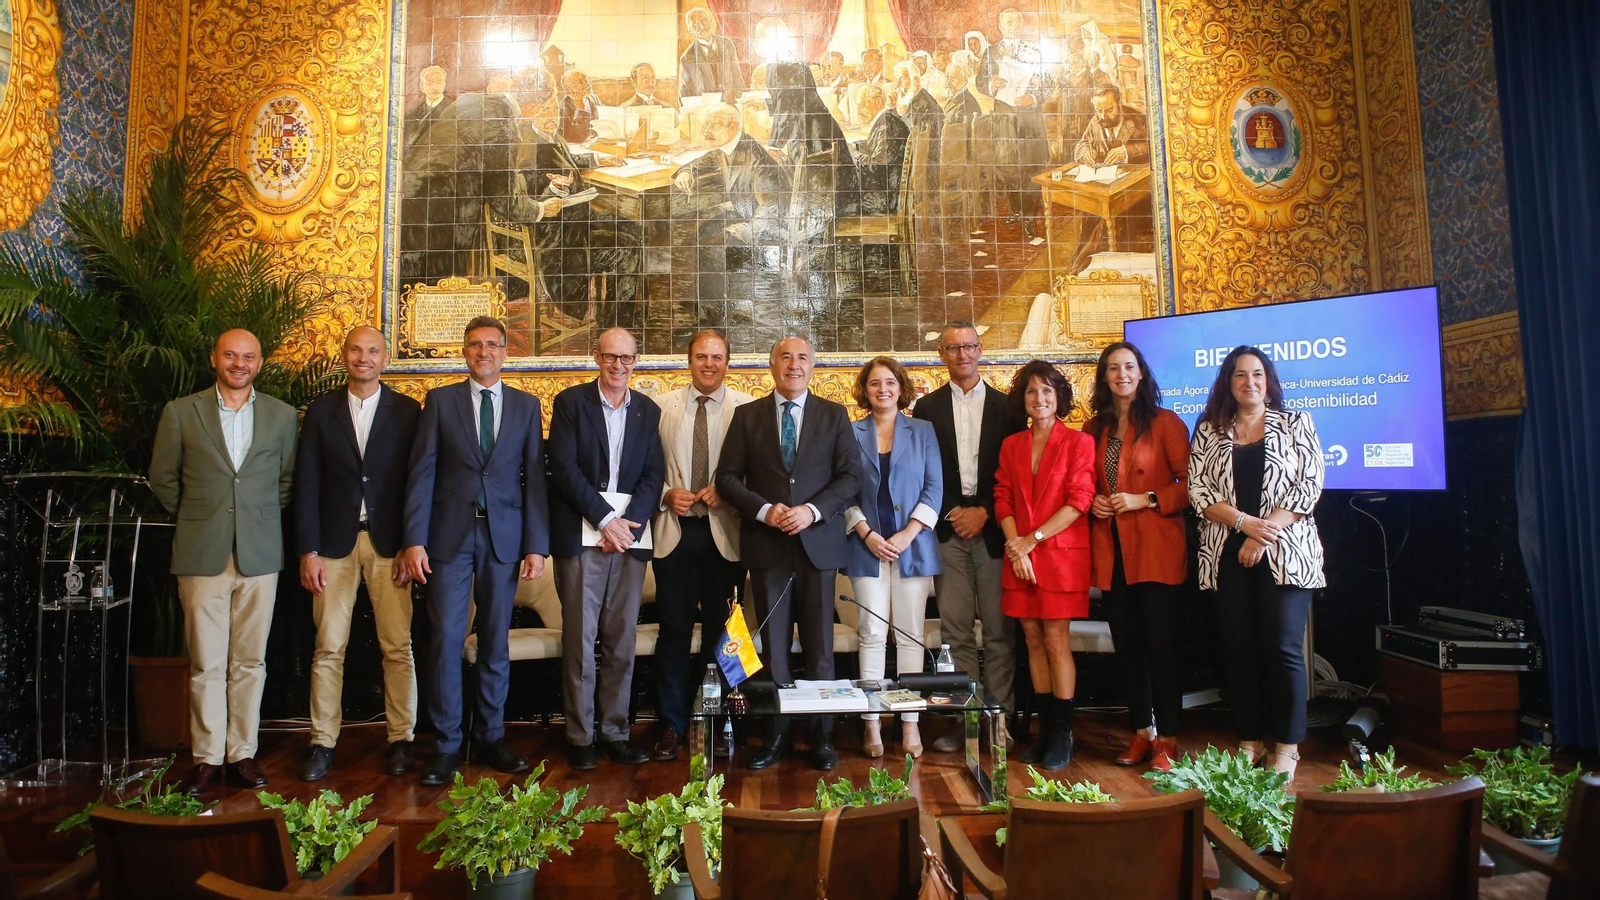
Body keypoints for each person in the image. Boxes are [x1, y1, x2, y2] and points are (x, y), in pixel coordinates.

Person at [401, 317, 550, 786]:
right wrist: (414, 539)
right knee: (446, 639)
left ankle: (490, 737)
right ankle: (447, 745)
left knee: (494, 641)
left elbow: (534, 479)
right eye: (474, 345)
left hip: (503, 538)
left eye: (491, 345)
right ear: (464, 352)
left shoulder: (526, 406)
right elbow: (421, 472)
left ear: (505, 352)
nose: (483, 352)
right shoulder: (440, 401)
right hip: (448, 537)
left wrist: (536, 545)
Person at [148, 329, 298, 796]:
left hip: (260, 551)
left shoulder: (281, 415)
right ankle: (207, 758)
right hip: (201, 550)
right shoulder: (181, 412)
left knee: (251, 661)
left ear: (260, 363)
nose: (239, 363)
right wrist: (201, 516)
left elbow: (286, 481)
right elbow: (162, 478)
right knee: (206, 663)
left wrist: (251, 517)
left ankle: (242, 753)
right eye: (230, 355)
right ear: (214, 359)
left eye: (248, 356)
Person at [717, 336, 860, 771]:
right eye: (785, 357)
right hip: (768, 548)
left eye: (802, 358)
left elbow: (851, 477)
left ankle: (821, 735)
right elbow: (727, 478)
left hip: (818, 546)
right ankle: (775, 734)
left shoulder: (834, 415)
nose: (793, 365)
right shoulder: (747, 416)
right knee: (773, 650)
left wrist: (812, 511)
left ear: (812, 367)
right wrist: (765, 510)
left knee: (820, 649)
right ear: (772, 365)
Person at [1188, 346, 1325, 781]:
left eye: (1258, 374)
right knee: (1239, 650)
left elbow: (1309, 485)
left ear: (1269, 381)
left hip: (1286, 552)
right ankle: (1249, 741)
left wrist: (1262, 533)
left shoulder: (1296, 422)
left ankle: (1287, 747)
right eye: (1240, 375)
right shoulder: (1209, 429)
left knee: (1284, 649)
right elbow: (1198, 491)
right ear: (1228, 383)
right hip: (1226, 552)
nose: (1250, 382)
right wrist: (1244, 524)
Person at [294, 326, 422, 782]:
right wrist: (308, 550)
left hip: (391, 547)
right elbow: (306, 483)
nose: (363, 357)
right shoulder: (320, 411)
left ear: (385, 359)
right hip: (332, 545)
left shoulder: (408, 411)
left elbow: (417, 483)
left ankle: (401, 738)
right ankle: (322, 742)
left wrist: (411, 542)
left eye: (372, 351)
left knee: (397, 646)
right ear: (344, 355)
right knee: (329, 646)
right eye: (355, 349)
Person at [547, 328, 665, 771]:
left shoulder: (648, 410)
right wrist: (604, 520)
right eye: (611, 357)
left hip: (629, 540)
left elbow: (653, 475)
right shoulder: (570, 403)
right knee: (580, 641)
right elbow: (564, 469)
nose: (619, 365)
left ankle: (616, 731)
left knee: (621, 641)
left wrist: (627, 526)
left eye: (627, 358)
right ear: (596, 357)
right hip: (584, 537)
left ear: (637, 361)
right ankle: (580, 736)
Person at [912, 322, 1024, 753]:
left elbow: (1015, 473)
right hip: (948, 530)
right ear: (942, 355)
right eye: (953, 348)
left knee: (998, 631)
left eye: (969, 346)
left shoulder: (1008, 407)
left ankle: (1000, 721)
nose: (962, 354)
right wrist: (952, 511)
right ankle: (967, 723)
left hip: (996, 531)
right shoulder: (926, 408)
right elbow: (922, 470)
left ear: (980, 351)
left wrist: (986, 512)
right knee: (955, 632)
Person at [649, 330, 755, 761]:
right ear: (688, 360)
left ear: (728, 362)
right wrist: (664, 494)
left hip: (725, 534)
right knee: (673, 632)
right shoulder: (661, 407)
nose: (709, 364)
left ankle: (720, 720)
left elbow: (759, 471)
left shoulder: (747, 408)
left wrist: (731, 492)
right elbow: (644, 468)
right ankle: (672, 725)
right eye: (701, 356)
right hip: (674, 532)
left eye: (717, 357)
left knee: (725, 634)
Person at [1084, 342, 1189, 773]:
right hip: (1112, 552)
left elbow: (1192, 485)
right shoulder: (1094, 427)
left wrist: (1145, 498)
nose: (1121, 374)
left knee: (1161, 649)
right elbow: (1085, 484)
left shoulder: (1166, 422)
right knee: (1127, 650)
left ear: (1141, 373)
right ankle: (1142, 732)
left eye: (1129, 366)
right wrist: (1093, 500)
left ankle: (1169, 739)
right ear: (1104, 377)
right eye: (1113, 368)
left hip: (1155, 548)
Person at [993, 359, 1094, 771]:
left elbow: (1079, 501)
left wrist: (1030, 541)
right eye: (1032, 391)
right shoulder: (1012, 445)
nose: (1040, 398)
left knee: (1055, 641)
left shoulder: (1078, 443)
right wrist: (1016, 548)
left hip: (1059, 557)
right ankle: (1044, 731)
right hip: (1019, 557)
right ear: (1023, 399)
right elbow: (1002, 498)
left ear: (1059, 397)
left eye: (1047, 391)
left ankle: (1063, 734)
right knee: (1032, 640)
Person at [844, 357, 942, 759]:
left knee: (909, 634)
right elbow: (843, 491)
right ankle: (871, 721)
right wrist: (866, 532)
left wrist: (907, 534)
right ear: (864, 390)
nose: (882, 389)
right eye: (874, 383)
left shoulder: (923, 431)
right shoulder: (850, 432)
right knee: (871, 632)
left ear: (901, 388)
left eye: (889, 382)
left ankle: (909, 721)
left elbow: (934, 488)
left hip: (912, 548)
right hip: (865, 547)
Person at [852, 84, 909, 215]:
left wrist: (855, 155)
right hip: (889, 189)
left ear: (877, 102)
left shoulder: (888, 123)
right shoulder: (887, 118)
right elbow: (877, 145)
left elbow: (878, 164)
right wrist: (857, 146)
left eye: (862, 105)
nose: (859, 111)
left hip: (888, 197)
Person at [1073, 82, 1150, 167]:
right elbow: (1083, 143)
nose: (1103, 116)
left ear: (1119, 103)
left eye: (1109, 110)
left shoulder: (1138, 119)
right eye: (1098, 110)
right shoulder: (1095, 121)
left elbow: (1154, 146)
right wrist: (1085, 153)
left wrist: (1126, 151)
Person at [679, 7, 744, 104]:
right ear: (691, 31)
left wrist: (742, 104)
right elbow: (684, 94)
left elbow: (737, 79)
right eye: (696, 25)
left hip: (731, 106)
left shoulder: (727, 44)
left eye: (704, 21)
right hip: (706, 109)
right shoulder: (687, 57)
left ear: (710, 21)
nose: (702, 27)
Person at [559, 69, 603, 143]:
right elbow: (573, 137)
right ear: (568, 90)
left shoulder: (593, 98)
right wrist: (580, 109)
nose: (586, 83)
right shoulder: (564, 106)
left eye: (585, 79)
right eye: (578, 82)